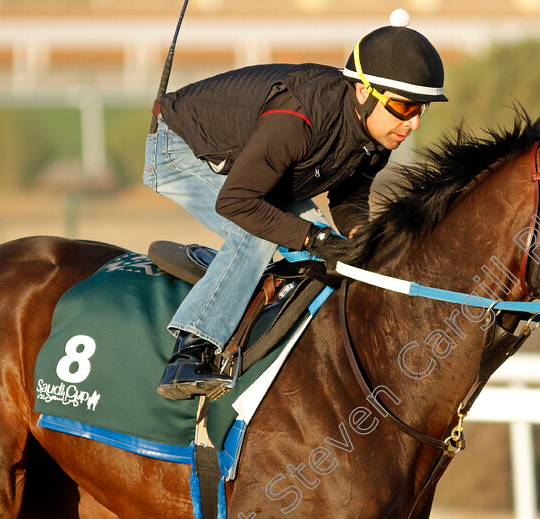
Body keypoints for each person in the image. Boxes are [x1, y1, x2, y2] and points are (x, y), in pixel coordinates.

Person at [143, 10, 447, 400]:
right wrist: (313, 238)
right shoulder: (298, 117)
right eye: (404, 108)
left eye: (421, 109)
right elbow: (237, 202)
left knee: (331, 245)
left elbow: (350, 196)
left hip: (252, 169)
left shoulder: (376, 135)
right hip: (179, 149)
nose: (414, 124)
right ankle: (191, 351)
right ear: (362, 92)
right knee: (259, 233)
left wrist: (357, 236)